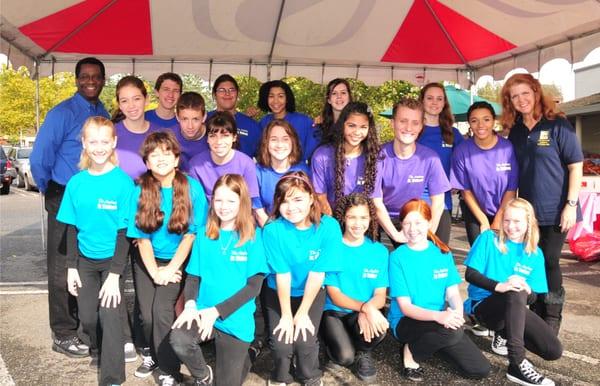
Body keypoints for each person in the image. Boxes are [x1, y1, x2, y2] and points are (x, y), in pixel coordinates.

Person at [30, 57, 108, 358]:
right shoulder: (62, 113)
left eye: (96, 76)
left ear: (102, 79)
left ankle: (83, 327)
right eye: (85, 76)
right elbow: (40, 158)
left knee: (83, 261)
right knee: (62, 265)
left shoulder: (100, 111)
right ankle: (62, 332)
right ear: (77, 80)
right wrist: (48, 189)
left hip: (91, 196)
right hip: (63, 194)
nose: (91, 81)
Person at [501, 73, 583, 334]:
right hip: (527, 211)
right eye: (515, 96)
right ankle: (535, 313)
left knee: (549, 261)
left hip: (557, 209)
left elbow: (576, 166)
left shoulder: (557, 124)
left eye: (525, 93)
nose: (521, 100)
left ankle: (552, 317)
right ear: (509, 101)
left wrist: (570, 204)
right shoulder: (515, 130)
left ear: (536, 92)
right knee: (531, 262)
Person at [170, 174, 268, 386]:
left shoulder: (253, 237)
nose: (224, 206)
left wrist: (216, 311)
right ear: (212, 201)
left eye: (231, 201)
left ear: (242, 203)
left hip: (235, 318)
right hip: (203, 310)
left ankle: (250, 351)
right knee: (179, 340)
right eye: (219, 200)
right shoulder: (204, 234)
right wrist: (189, 305)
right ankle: (204, 375)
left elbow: (254, 287)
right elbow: (193, 277)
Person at [127, 131, 208, 386]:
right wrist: (156, 273)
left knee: (161, 312)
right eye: (153, 154)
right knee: (146, 316)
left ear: (176, 159)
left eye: (166, 152)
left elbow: (191, 236)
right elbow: (142, 238)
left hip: (178, 260)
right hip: (147, 258)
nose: (160, 158)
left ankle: (169, 368)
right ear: (147, 162)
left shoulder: (191, 188)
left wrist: (172, 268)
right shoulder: (140, 189)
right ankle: (151, 352)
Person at [58, 117, 133, 385]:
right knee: (89, 318)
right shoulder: (76, 183)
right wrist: (70, 268)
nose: (99, 147)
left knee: (110, 316)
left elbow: (125, 233)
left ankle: (112, 377)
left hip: (113, 261)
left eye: (104, 141)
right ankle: (98, 348)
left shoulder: (123, 183)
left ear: (113, 142)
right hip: (85, 263)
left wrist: (115, 274)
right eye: (93, 141)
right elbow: (71, 230)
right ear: (84, 144)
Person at [388, 199, 490, 382]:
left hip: (440, 320)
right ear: (401, 225)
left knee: (479, 369)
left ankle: (432, 343)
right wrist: (439, 317)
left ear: (429, 222)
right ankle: (410, 352)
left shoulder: (443, 252)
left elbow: (452, 293)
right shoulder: (397, 257)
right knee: (450, 332)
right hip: (406, 321)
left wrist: (457, 314)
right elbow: (405, 307)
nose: (412, 229)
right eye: (407, 223)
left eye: (418, 222)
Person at [464, 198, 562, 386]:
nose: (511, 226)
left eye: (517, 221)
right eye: (507, 220)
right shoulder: (488, 238)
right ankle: (516, 363)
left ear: (528, 223)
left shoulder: (534, 254)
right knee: (514, 291)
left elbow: (533, 297)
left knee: (553, 350)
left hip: (512, 307)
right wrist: (499, 286)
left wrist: (526, 288)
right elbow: (471, 274)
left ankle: (504, 333)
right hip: (484, 307)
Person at [262, 171, 342, 386]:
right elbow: (282, 274)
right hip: (279, 292)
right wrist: (288, 316)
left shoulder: (329, 227)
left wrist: (303, 312)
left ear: (311, 198)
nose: (291, 207)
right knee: (282, 343)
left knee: (304, 341)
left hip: (312, 291)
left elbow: (318, 274)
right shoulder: (272, 230)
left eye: (298, 199)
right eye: (285, 201)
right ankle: (280, 376)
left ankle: (310, 375)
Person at [321, 193, 388, 383]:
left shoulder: (379, 251)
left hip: (361, 311)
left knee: (380, 327)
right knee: (344, 357)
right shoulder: (332, 248)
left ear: (370, 219)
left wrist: (368, 310)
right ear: (343, 217)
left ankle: (364, 351)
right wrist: (365, 308)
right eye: (352, 217)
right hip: (335, 312)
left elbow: (380, 295)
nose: (358, 223)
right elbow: (335, 296)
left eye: (363, 217)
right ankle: (332, 343)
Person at [373, 98, 450, 247]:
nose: (409, 127)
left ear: (421, 126)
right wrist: (395, 235)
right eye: (403, 121)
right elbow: (376, 202)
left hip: (415, 218)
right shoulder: (378, 156)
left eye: (415, 123)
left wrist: (426, 233)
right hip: (384, 218)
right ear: (392, 123)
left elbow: (438, 202)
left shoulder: (430, 158)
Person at [450, 101, 518, 245]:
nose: (481, 125)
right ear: (469, 123)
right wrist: (483, 221)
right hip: (475, 211)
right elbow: (465, 191)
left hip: (504, 209)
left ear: (493, 121)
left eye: (486, 119)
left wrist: (498, 219)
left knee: (501, 256)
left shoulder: (507, 148)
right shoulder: (461, 151)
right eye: (475, 121)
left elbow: (511, 188)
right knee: (479, 255)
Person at [188, 112, 265, 221]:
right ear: (207, 139)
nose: (219, 141)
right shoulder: (195, 165)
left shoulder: (246, 164)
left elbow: (254, 206)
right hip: (207, 223)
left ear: (234, 137)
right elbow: (194, 207)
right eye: (213, 136)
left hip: (239, 223)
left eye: (225, 136)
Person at [311, 102, 380, 215]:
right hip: (332, 221)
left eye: (363, 127)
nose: (357, 132)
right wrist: (336, 229)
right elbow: (321, 198)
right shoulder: (322, 156)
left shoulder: (373, 157)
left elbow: (375, 200)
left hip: (361, 223)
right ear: (342, 125)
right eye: (351, 125)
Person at [418, 83, 464, 245]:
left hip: (443, 203)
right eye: (430, 98)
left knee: (439, 254)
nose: (434, 102)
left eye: (439, 99)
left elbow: (464, 163)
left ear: (444, 103)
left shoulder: (453, 134)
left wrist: (456, 182)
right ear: (422, 101)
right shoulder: (414, 131)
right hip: (416, 203)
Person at [255, 119, 310, 223]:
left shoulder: (304, 170)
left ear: (293, 142)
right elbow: (259, 214)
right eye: (274, 139)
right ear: (266, 143)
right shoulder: (257, 172)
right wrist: (276, 235)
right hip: (269, 230)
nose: (280, 145)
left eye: (285, 139)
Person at [258, 80, 318, 163]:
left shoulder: (304, 121)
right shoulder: (264, 122)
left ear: (287, 99)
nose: (276, 101)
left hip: (297, 171)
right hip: (270, 171)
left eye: (280, 96)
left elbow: (314, 146)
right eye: (271, 96)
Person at [113, 75, 161, 180]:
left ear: (146, 100)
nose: (131, 105)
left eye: (136, 99)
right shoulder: (110, 134)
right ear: (119, 105)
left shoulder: (161, 135)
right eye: (124, 101)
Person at [207, 74, 262, 158]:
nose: (227, 94)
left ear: (238, 94)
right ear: (214, 94)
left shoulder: (252, 125)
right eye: (222, 90)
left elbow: (262, 159)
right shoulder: (204, 121)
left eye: (231, 90)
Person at [173, 92, 209, 172]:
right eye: (185, 119)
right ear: (177, 117)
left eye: (195, 119)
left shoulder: (215, 138)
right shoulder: (169, 137)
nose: (190, 126)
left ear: (204, 117)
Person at [316, 78, 353, 145]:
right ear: (329, 100)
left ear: (349, 97)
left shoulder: (358, 124)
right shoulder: (320, 126)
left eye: (343, 92)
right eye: (334, 93)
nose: (339, 96)